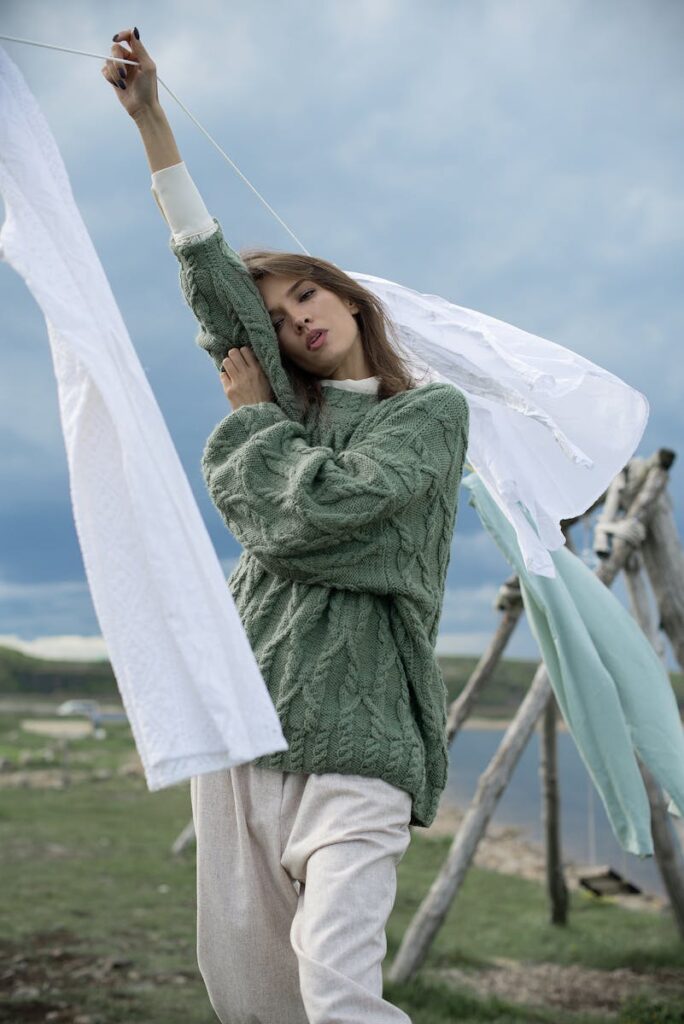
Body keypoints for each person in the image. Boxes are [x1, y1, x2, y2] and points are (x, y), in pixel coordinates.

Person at [103, 27, 469, 1024]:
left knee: (339, 994)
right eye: (277, 316)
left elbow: (331, 511)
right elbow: (219, 294)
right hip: (244, 723)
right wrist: (152, 122)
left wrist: (258, 431)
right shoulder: (293, 412)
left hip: (364, 741)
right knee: (252, 997)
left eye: (306, 292)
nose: (297, 316)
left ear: (347, 296)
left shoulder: (426, 416)